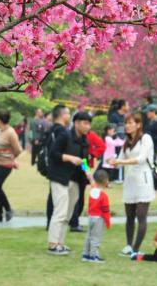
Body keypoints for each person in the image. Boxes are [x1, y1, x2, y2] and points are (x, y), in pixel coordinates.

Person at [108, 112, 155, 257]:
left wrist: (120, 162)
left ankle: (136, 248)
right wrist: (111, 161)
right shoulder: (126, 142)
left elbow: (140, 159)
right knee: (129, 216)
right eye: (126, 123)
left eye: (130, 123)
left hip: (144, 180)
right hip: (130, 181)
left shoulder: (146, 138)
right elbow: (118, 162)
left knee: (141, 216)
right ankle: (128, 245)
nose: (127, 126)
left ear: (139, 124)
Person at [46, 106, 90, 255]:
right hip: (60, 177)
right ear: (76, 123)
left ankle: (60, 242)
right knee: (60, 211)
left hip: (76, 181)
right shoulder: (65, 135)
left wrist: (89, 174)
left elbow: (84, 160)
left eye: (88, 124)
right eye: (84, 123)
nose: (87, 126)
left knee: (69, 213)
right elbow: (53, 153)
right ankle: (53, 244)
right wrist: (70, 158)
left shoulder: (85, 140)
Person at [0, 110, 22, 222]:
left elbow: (18, 150)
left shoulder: (11, 133)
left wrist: (12, 159)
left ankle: (8, 209)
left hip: (6, 165)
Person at [81, 168, 111, 263]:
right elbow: (106, 211)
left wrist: (84, 166)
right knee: (96, 237)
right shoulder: (104, 196)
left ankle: (86, 254)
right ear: (106, 181)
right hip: (99, 219)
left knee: (89, 236)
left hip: (91, 217)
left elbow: (90, 177)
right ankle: (93, 256)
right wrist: (108, 222)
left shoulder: (92, 189)